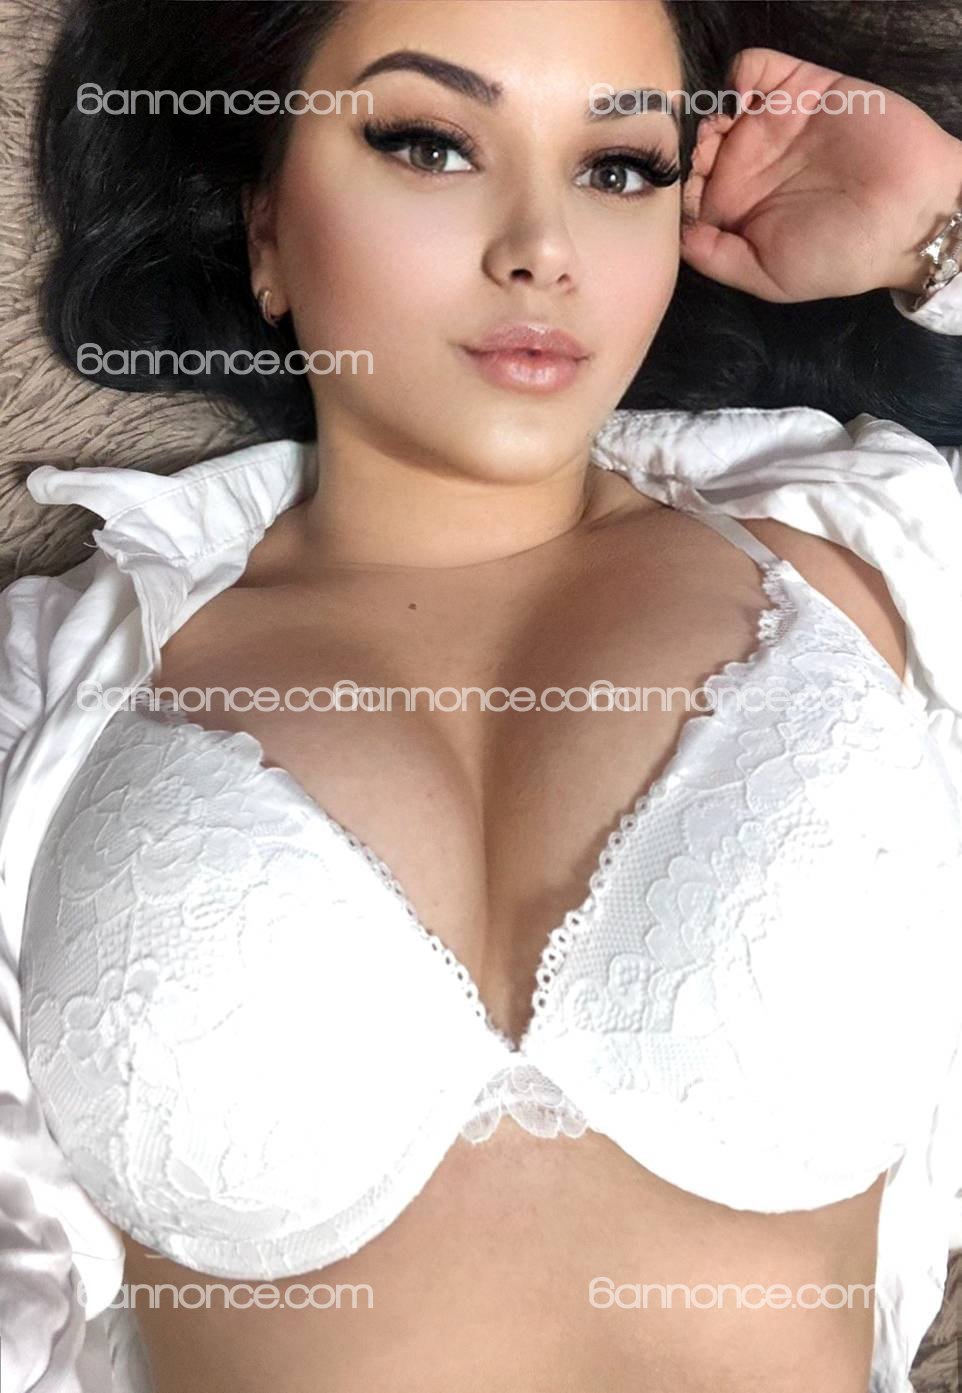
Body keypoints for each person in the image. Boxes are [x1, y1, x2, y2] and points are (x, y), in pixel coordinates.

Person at [3, 2, 962, 1391]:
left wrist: (935, 228)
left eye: (619, 167)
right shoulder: (51, 694)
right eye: (429, 144)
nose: (541, 246)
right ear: (264, 226)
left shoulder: (874, 560)